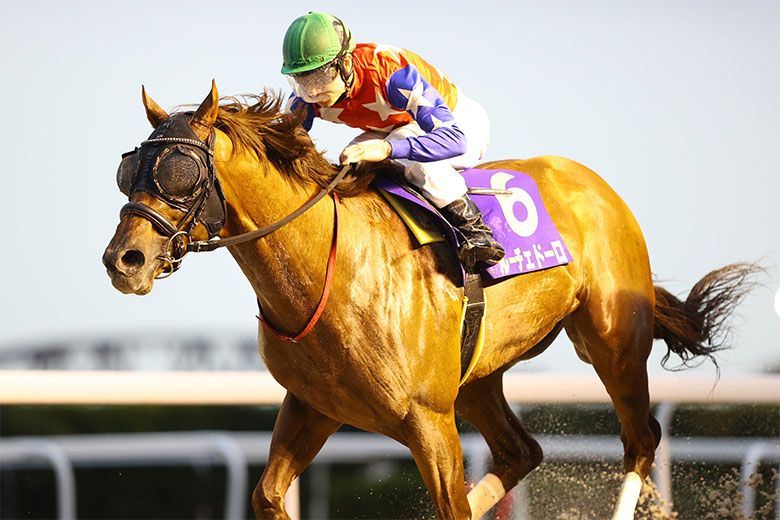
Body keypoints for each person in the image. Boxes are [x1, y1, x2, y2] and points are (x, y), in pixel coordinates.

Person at [281, 11, 504, 270]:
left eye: (319, 79)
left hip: (460, 125)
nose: (313, 91)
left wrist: (387, 149)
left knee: (403, 150)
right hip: (395, 127)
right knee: (351, 160)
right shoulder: (305, 98)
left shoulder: (391, 74)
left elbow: (455, 140)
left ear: (345, 63)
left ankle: (476, 232)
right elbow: (282, 147)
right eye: (302, 81)